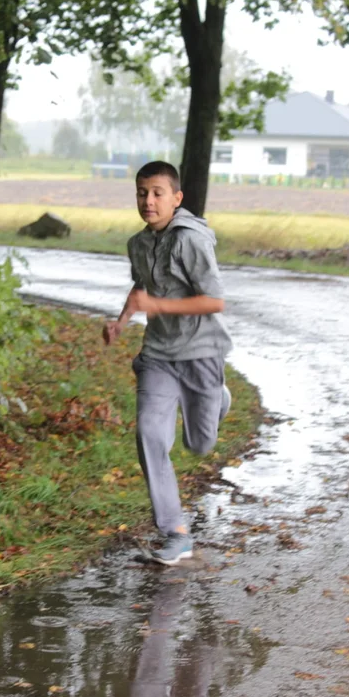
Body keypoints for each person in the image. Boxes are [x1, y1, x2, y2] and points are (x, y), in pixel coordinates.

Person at [102, 161, 233, 566]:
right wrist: (122, 322)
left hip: (200, 354)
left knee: (200, 443)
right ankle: (175, 531)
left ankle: (219, 399)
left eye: (158, 193)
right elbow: (141, 286)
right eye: (142, 192)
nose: (148, 201)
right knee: (149, 434)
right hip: (158, 355)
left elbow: (215, 301)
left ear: (176, 199)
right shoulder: (138, 244)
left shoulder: (190, 242)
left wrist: (156, 305)